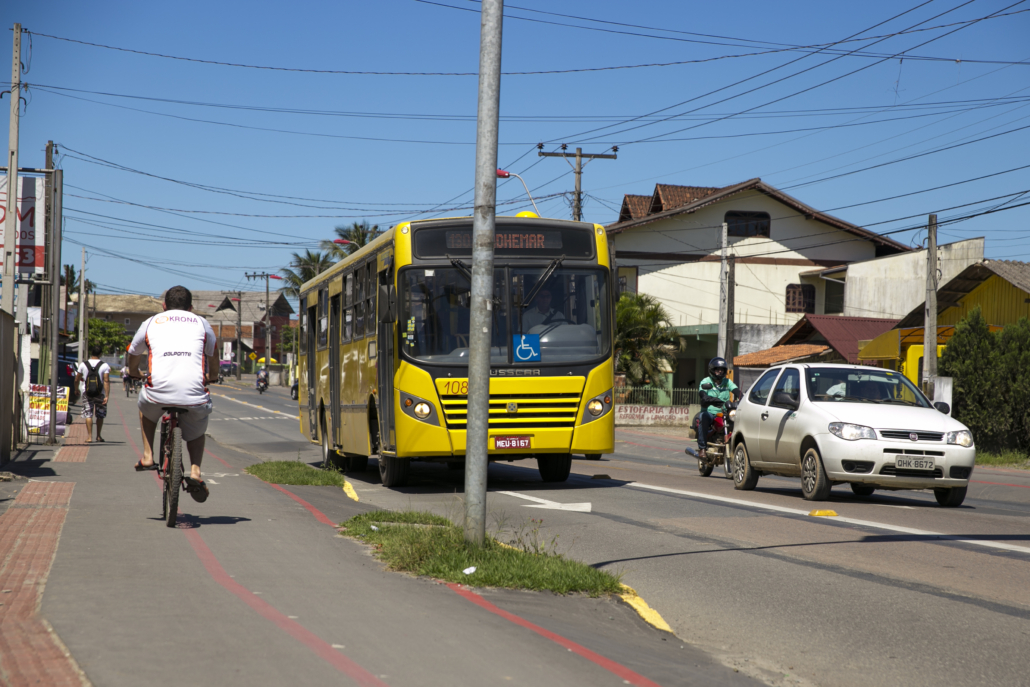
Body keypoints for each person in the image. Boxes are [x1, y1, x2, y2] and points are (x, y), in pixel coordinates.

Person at [128, 286, 219, 503]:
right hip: (194, 395)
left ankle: (148, 456)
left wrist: (133, 372)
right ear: (191, 308)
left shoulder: (151, 322)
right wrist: (212, 376)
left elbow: (133, 352)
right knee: (197, 429)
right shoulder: (201, 323)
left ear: (164, 306)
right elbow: (213, 354)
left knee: (145, 411)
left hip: (157, 393)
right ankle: (195, 471)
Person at [696, 357, 739, 459]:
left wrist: (743, 396)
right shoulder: (705, 381)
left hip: (725, 412)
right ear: (712, 370)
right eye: (717, 369)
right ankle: (702, 448)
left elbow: (736, 390)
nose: (720, 372)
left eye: (722, 370)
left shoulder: (727, 382)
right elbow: (702, 394)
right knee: (703, 417)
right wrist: (707, 399)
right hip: (710, 412)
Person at [74, 344, 111, 443]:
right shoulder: (104, 365)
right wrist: (107, 395)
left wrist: (76, 389)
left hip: (87, 393)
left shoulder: (83, 364)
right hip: (100, 393)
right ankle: (98, 436)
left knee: (88, 414)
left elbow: (77, 379)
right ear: (100, 354)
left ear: (91, 353)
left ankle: (89, 437)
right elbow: (106, 381)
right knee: (100, 415)